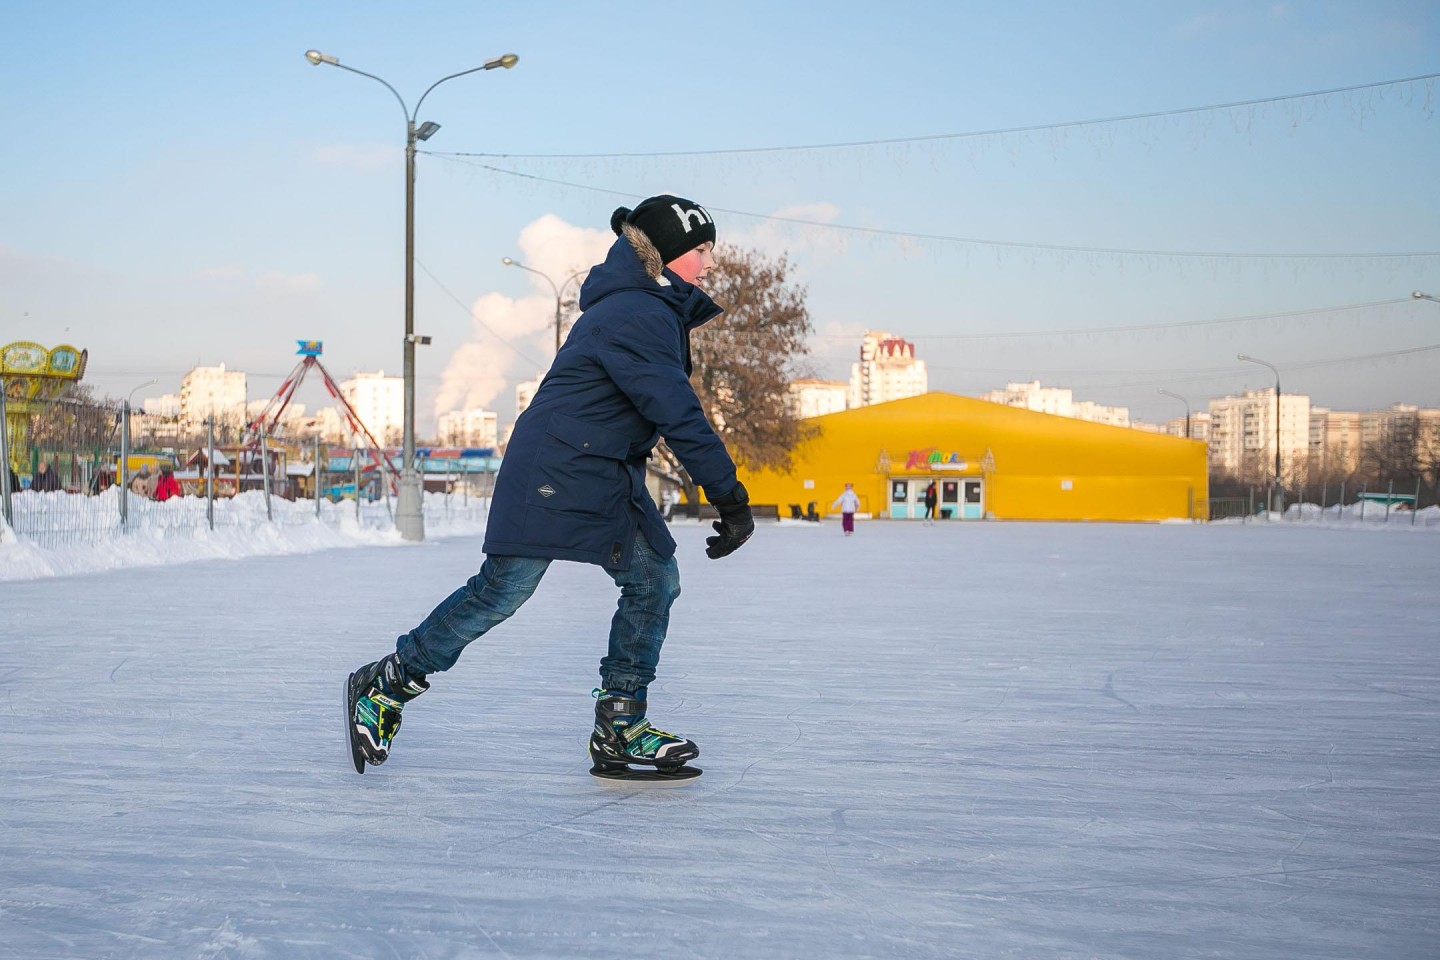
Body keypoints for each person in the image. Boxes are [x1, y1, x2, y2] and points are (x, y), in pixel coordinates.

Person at [345, 194, 754, 780]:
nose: (710, 263)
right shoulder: (637, 313)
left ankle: (620, 726)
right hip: (555, 470)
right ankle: (386, 684)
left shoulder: (644, 307)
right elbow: (676, 412)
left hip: (601, 470)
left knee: (654, 579)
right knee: (503, 590)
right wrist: (730, 496)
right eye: (702, 250)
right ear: (666, 254)